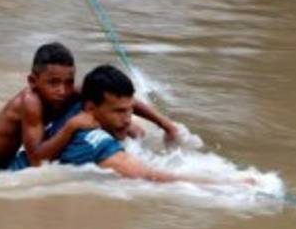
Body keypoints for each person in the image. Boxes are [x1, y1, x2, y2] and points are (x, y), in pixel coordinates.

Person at [0, 42, 178, 172]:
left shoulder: (67, 91)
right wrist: (71, 127)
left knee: (130, 126)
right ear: (33, 81)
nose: (62, 90)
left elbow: (115, 98)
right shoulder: (30, 102)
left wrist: (165, 124)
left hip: (10, 163)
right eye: (53, 82)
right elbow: (37, 162)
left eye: (69, 82)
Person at [41, 64, 236, 184]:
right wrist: (229, 183)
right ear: (91, 108)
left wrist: (165, 124)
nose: (127, 118)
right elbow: (150, 177)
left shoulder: (77, 101)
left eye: (128, 110)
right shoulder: (94, 142)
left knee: (137, 131)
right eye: (119, 112)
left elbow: (129, 103)